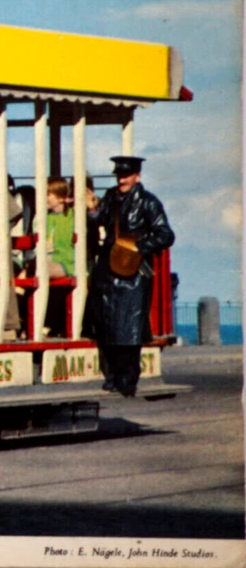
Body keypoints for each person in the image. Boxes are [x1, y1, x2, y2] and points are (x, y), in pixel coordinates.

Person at [84, 155, 174, 396]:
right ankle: (114, 376)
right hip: (109, 268)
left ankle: (127, 378)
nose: (121, 180)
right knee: (106, 325)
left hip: (133, 272)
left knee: (129, 328)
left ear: (137, 176)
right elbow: (99, 219)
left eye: (126, 175)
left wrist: (138, 248)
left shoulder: (149, 202)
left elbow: (165, 235)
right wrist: (92, 208)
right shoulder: (111, 197)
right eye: (119, 175)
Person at [43, 177, 74, 278]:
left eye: (47, 194)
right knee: (24, 274)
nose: (43, 198)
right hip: (48, 260)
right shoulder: (46, 218)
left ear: (61, 198)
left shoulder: (72, 216)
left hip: (67, 263)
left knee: (40, 271)